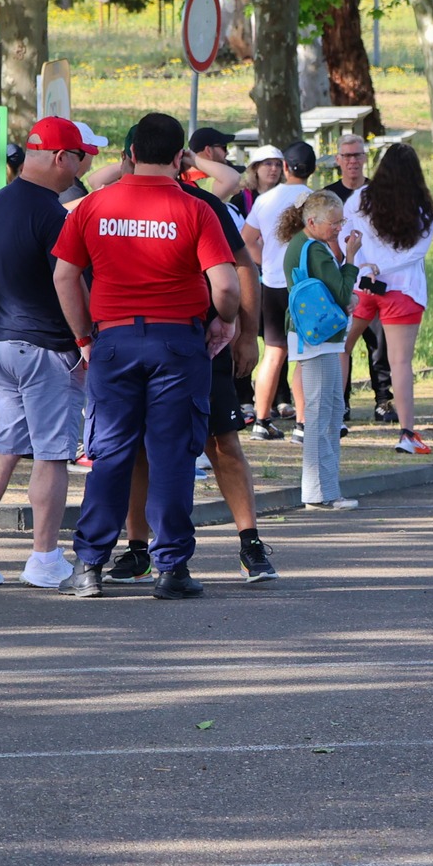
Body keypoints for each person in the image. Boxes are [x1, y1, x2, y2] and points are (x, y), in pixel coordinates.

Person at [50, 112, 240, 599]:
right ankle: (171, 569)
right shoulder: (196, 209)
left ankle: (89, 565)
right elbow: (225, 285)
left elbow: (64, 276)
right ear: (180, 158)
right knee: (172, 454)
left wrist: (84, 337)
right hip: (178, 344)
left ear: (131, 154)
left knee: (110, 452)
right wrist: (225, 320)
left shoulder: (94, 206)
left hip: (113, 342)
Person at [108, 135, 280, 584]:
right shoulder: (110, 204)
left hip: (204, 341)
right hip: (131, 343)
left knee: (221, 442)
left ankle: (250, 543)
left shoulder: (201, 203)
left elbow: (242, 266)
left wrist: (245, 333)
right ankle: (138, 548)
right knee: (139, 447)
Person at [0, 118, 101, 589]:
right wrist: (85, 338)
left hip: (1, 340)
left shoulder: (1, 202)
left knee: (4, 446)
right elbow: (67, 280)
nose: (81, 168)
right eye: (79, 158)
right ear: (60, 157)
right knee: (52, 455)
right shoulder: (51, 214)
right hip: (46, 348)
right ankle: (44, 558)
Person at [341, 143, 433, 455]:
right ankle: (407, 433)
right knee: (400, 362)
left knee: (341, 347)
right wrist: (382, 268)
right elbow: (416, 253)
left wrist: (365, 266)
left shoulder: (360, 199)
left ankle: (334, 416)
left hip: (362, 286)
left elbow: (346, 236)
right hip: (403, 290)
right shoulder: (424, 210)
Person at [280, 191, 363, 510]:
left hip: (311, 335)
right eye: (334, 222)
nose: (339, 227)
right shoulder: (314, 248)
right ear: (312, 221)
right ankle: (320, 492)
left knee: (328, 408)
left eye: (341, 221)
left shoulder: (300, 244)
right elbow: (341, 292)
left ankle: (325, 490)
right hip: (318, 338)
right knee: (323, 412)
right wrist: (351, 259)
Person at [241, 142, 314, 437]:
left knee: (273, 352)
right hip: (304, 285)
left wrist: (267, 260)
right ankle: (302, 424)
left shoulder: (265, 199)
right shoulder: (316, 199)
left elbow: (246, 239)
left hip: (271, 283)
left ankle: (261, 421)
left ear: (285, 166)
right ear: (313, 169)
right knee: (304, 355)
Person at [324, 134, 395, 423]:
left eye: (357, 155)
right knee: (342, 341)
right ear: (338, 160)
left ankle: (384, 400)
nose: (352, 161)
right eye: (347, 156)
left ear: (365, 158)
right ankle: (341, 403)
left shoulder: (379, 192)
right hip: (340, 278)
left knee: (380, 342)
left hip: (375, 278)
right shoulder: (328, 195)